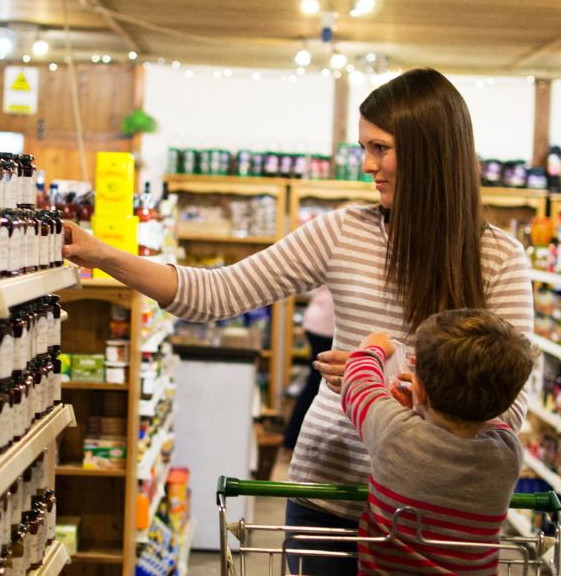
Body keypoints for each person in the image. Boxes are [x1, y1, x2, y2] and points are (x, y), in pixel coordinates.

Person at [61, 67, 533, 575]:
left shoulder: (498, 257)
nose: (366, 165)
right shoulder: (342, 232)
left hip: (433, 514)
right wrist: (101, 254)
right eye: (364, 148)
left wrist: (378, 375)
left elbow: (512, 401)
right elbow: (216, 293)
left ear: (428, 152)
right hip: (327, 496)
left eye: (380, 148)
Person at [341, 310, 534, 575]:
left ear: (419, 388)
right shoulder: (508, 452)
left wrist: (372, 347)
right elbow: (489, 413)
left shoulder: (395, 432)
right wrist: (424, 405)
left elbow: (358, 384)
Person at [283, 285, 334, 449]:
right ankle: (292, 438)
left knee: (315, 383)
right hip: (325, 326)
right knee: (317, 384)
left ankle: (292, 438)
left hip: (317, 322)